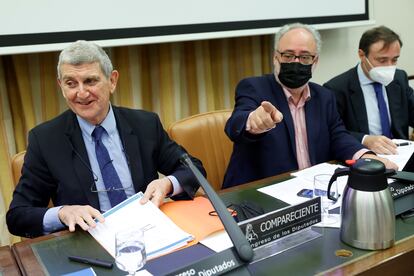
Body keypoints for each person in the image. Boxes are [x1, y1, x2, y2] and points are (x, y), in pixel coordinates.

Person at [7, 40, 205, 238]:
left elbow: (193, 169)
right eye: (71, 83)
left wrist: (167, 184)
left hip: (148, 232)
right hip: (89, 242)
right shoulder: (46, 140)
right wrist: (62, 213)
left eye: (90, 81)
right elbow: (17, 216)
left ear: (112, 81)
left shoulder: (144, 124)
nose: (81, 93)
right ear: (61, 86)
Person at [222, 23, 397, 189]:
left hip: (310, 190)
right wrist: (253, 121)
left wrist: (365, 157)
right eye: (288, 55)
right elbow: (235, 124)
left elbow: (338, 136)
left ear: (315, 62)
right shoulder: (254, 88)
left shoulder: (324, 96)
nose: (296, 62)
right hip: (261, 193)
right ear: (276, 57)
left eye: (305, 57)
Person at [324, 26, 414, 155]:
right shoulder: (337, 88)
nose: (389, 66)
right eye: (382, 60)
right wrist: (365, 140)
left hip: (400, 153)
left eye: (394, 59)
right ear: (362, 55)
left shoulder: (399, 78)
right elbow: (333, 133)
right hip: (365, 157)